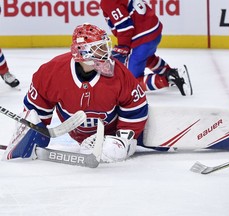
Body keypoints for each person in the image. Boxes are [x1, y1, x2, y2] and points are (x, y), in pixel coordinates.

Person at [2, 23, 148, 163]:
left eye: (104, 46)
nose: (106, 51)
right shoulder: (51, 72)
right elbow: (36, 107)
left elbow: (136, 106)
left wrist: (123, 139)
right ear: (82, 52)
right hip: (80, 136)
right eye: (99, 48)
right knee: (32, 120)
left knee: (113, 151)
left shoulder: (119, 73)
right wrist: (32, 133)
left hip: (113, 132)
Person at [100, 0, 191, 96]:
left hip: (142, 38)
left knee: (132, 82)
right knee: (146, 58)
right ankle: (169, 72)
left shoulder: (108, 2)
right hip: (153, 30)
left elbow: (125, 27)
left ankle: (171, 78)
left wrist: (123, 47)